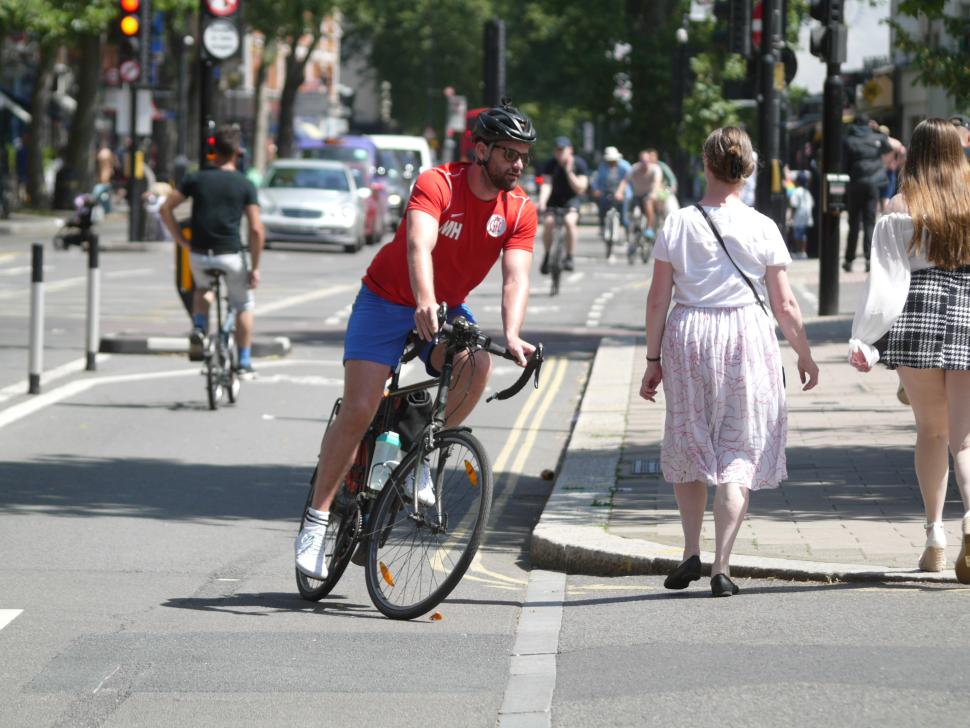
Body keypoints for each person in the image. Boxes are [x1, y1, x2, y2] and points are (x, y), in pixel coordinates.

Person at [294, 100, 538, 579]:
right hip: (386, 300)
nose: (519, 164)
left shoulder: (519, 209)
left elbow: (516, 278)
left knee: (477, 365)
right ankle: (316, 523)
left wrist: (511, 332)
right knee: (361, 405)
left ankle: (421, 456)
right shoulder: (438, 183)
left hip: (444, 306)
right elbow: (417, 244)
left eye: (524, 155)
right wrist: (423, 299)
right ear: (482, 150)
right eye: (510, 154)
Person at [640, 127, 819, 597]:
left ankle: (689, 552)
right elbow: (785, 306)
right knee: (738, 448)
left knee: (691, 438)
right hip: (746, 335)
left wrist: (652, 358)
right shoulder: (763, 226)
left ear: (705, 165)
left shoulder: (678, 223)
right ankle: (722, 565)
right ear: (749, 169)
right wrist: (805, 355)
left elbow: (658, 299)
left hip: (689, 334)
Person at [848, 118, 970, 584]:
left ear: (916, 153)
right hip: (967, 315)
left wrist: (866, 339)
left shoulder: (900, 205)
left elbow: (885, 283)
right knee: (965, 439)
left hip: (917, 315)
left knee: (931, 433)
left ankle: (934, 534)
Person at [159, 123, 264, 376]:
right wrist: (256, 268)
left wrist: (180, 240)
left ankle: (199, 327)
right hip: (230, 254)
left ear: (213, 150)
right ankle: (244, 362)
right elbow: (257, 229)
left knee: (203, 290)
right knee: (243, 304)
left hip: (199, 253)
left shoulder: (195, 178)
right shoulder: (244, 183)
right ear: (237, 152)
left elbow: (165, 209)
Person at [842, 113, 893, 273]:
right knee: (870, 222)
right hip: (873, 183)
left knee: (854, 224)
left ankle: (849, 260)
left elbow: (844, 163)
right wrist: (877, 130)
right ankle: (869, 259)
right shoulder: (876, 138)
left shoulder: (849, 140)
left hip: (855, 183)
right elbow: (890, 147)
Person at [538, 136, 588, 273]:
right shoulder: (550, 164)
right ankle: (547, 255)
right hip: (554, 199)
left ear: (570, 150)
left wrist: (569, 171)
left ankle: (569, 256)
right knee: (548, 223)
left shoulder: (579, 163)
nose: (560, 153)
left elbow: (580, 188)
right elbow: (546, 185)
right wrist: (542, 201)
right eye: (557, 150)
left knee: (569, 221)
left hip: (572, 199)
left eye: (562, 150)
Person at [617, 149, 663, 239]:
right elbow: (625, 181)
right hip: (637, 194)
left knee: (648, 203)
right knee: (630, 207)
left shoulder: (655, 169)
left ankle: (649, 228)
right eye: (642, 161)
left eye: (647, 161)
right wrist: (619, 192)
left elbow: (657, 182)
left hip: (649, 194)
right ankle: (631, 228)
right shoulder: (634, 168)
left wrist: (654, 193)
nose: (645, 164)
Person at [590, 146, 631, 247]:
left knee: (624, 217)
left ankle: (627, 235)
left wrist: (621, 192)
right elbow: (597, 180)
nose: (611, 162)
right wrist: (596, 189)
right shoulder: (602, 166)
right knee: (602, 207)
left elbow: (628, 180)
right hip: (607, 191)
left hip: (622, 192)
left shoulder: (625, 166)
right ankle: (603, 226)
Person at [788, 172, 814, 259]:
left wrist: (791, 217)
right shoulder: (807, 192)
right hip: (807, 215)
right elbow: (812, 203)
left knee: (797, 234)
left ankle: (799, 251)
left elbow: (794, 205)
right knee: (803, 234)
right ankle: (803, 252)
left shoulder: (796, 191)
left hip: (799, 215)